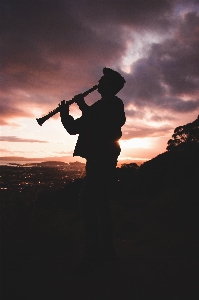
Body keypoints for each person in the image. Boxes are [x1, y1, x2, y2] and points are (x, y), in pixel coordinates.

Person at [59, 67, 126, 273]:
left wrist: (82, 106)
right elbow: (75, 128)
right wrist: (65, 115)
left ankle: (93, 254)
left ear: (112, 85)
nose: (99, 81)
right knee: (101, 203)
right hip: (98, 158)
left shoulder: (114, 104)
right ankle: (106, 251)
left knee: (87, 200)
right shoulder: (100, 105)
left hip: (103, 158)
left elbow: (102, 123)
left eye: (104, 80)